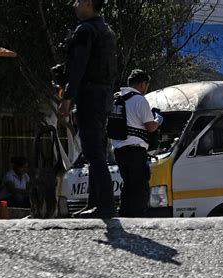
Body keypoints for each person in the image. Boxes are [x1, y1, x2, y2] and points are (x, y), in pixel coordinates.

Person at [55, 0, 118, 218]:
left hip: (90, 96)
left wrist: (67, 98)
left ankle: (106, 205)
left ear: (89, 4)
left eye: (79, 1)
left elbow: (78, 67)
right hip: (103, 95)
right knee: (95, 150)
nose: (74, 5)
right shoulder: (106, 31)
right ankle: (95, 202)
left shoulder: (86, 30)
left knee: (92, 150)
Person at [109, 69, 163, 217]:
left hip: (118, 150)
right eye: (146, 85)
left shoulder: (116, 98)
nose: (146, 89)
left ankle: (125, 215)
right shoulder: (139, 99)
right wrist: (158, 119)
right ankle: (138, 219)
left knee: (128, 185)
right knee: (140, 186)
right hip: (135, 150)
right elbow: (150, 127)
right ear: (142, 84)